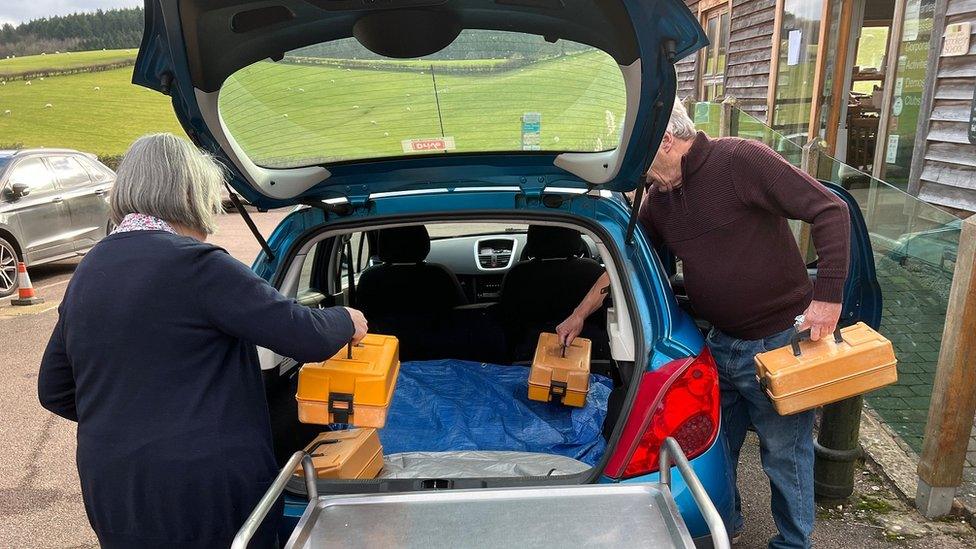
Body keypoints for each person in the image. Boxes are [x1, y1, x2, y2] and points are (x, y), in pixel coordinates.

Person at [37, 133, 368, 549]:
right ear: (191, 192)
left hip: (112, 482)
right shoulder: (197, 265)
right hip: (201, 486)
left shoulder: (90, 270)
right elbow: (303, 335)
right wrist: (346, 318)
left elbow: (54, 390)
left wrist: (129, 418)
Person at [556, 101, 850, 549]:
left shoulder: (741, 160)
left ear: (665, 141)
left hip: (777, 341)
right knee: (713, 451)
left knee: (784, 454)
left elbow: (832, 211)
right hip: (720, 344)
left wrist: (827, 299)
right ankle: (725, 527)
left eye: (640, 158)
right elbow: (628, 262)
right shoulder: (659, 201)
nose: (639, 173)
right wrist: (580, 312)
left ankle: (793, 542)